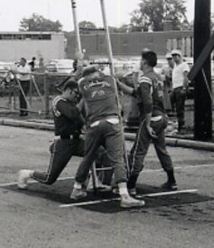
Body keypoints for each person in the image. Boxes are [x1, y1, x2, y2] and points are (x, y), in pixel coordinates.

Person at [70, 65, 144, 208]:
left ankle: (77, 188)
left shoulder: (83, 84)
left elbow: (76, 79)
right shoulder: (110, 80)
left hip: (94, 123)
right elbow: (123, 90)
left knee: (88, 157)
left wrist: (81, 63)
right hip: (111, 121)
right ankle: (124, 195)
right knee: (117, 157)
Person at [118, 50, 177, 196]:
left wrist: (148, 122)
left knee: (138, 150)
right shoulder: (157, 78)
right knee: (161, 149)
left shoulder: (145, 79)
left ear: (144, 62)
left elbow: (147, 101)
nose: (139, 62)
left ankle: (131, 184)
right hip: (161, 116)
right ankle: (172, 180)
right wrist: (119, 85)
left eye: (140, 60)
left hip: (151, 117)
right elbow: (137, 93)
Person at [17, 80, 85, 188]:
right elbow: (72, 114)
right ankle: (26, 174)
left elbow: (82, 121)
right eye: (76, 93)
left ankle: (94, 181)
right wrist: (83, 100)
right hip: (63, 141)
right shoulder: (59, 101)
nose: (77, 97)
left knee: (99, 152)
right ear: (68, 90)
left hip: (77, 140)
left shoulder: (73, 103)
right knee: (49, 178)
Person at [170, 50, 190, 132]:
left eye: (176, 55)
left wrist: (184, 88)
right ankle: (175, 123)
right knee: (171, 104)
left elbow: (186, 77)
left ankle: (181, 125)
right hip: (175, 87)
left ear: (180, 56)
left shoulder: (184, 65)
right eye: (173, 56)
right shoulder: (175, 66)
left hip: (180, 87)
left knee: (179, 107)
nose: (174, 57)